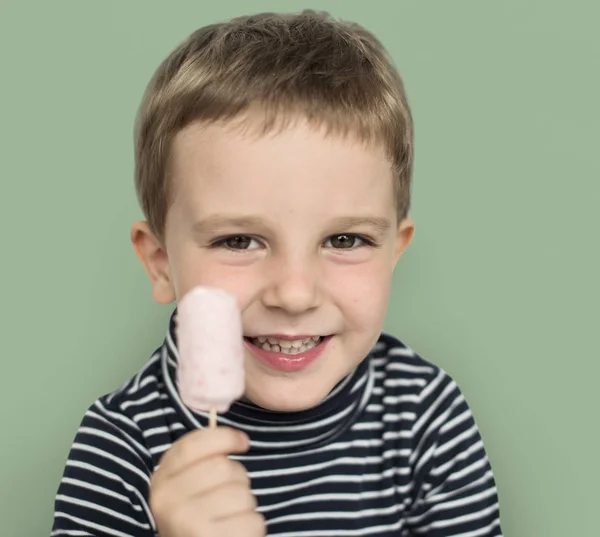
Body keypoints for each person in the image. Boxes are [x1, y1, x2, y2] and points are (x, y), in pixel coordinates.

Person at [51, 10, 503, 537]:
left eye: (345, 240)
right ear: (159, 263)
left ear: (393, 253)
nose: (294, 293)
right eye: (238, 241)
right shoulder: (121, 448)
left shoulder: (426, 417)